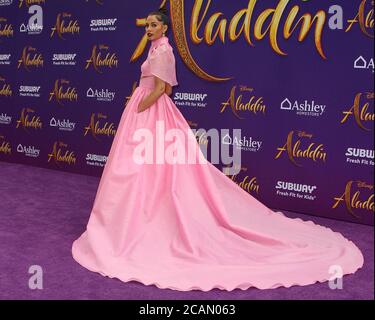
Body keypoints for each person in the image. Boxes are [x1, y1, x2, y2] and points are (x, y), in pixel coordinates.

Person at [71, 7, 364, 291]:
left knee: (151, 167)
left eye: (153, 25)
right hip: (147, 107)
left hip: (149, 109)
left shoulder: (164, 51)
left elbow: (163, 90)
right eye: (146, 25)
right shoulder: (156, 49)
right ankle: (131, 220)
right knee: (142, 167)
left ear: (163, 27)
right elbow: (162, 87)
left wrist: (138, 107)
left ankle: (142, 222)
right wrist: (138, 101)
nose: (148, 29)